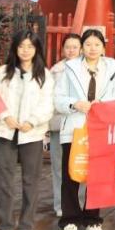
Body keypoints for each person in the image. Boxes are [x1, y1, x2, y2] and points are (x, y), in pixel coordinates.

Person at [54, 29, 115, 230]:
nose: (92, 49)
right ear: (82, 47)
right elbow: (58, 98)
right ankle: (70, 220)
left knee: (97, 177)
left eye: (97, 45)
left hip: (100, 129)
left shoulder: (114, 69)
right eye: (88, 44)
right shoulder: (70, 69)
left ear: (103, 48)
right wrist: (74, 104)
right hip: (74, 128)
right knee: (70, 175)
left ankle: (92, 219)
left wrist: (104, 105)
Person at [0, 30, 55, 230]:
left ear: (37, 50)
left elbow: (48, 104)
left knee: (31, 180)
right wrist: (5, 116)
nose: (25, 51)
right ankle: (6, 225)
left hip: (31, 133)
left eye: (30, 46)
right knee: (4, 180)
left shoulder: (44, 75)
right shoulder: (3, 72)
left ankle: (26, 225)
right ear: (15, 48)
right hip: (6, 132)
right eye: (21, 46)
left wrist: (32, 121)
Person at [47, 33, 81, 219]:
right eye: (68, 47)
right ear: (62, 50)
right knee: (59, 166)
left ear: (81, 49)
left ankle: (81, 202)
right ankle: (60, 203)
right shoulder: (55, 71)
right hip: (59, 123)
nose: (71, 50)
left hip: (81, 125)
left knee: (81, 164)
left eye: (75, 47)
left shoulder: (87, 69)